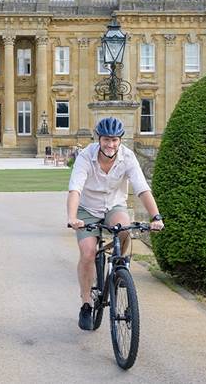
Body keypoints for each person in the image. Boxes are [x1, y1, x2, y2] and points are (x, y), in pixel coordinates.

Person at [66, 117, 165, 330]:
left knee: (124, 229)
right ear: (98, 139)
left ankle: (120, 264)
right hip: (87, 209)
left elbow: (142, 188)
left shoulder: (127, 157)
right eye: (106, 140)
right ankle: (86, 303)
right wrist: (73, 217)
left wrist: (156, 217)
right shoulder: (86, 157)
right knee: (88, 253)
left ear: (120, 140)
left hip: (114, 205)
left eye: (114, 140)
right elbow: (75, 189)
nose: (110, 144)